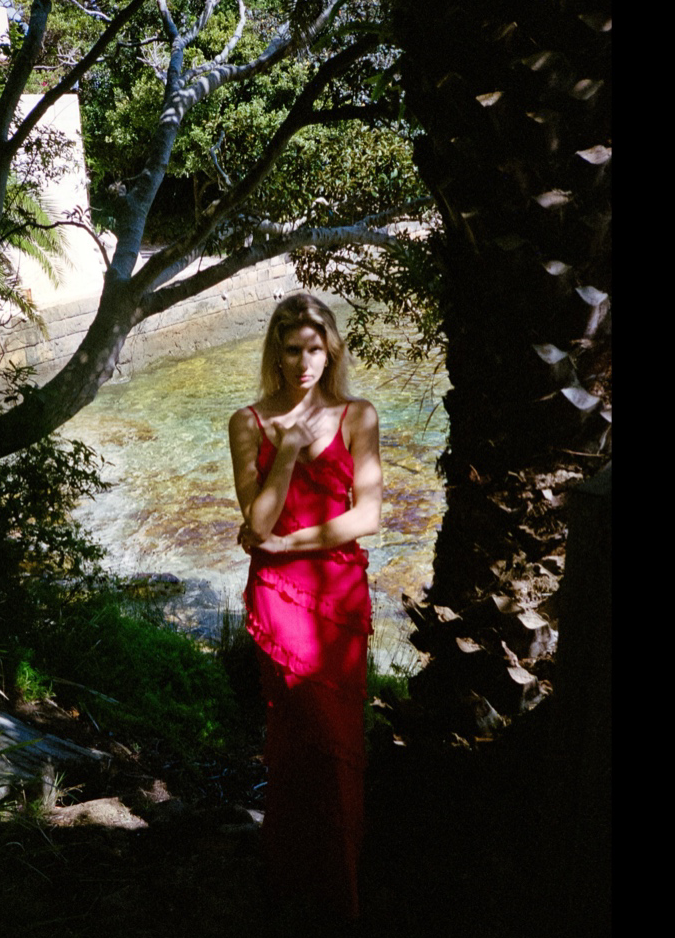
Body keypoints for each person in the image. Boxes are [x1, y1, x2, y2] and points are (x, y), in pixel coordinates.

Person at [228, 293, 382, 927]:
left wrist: (293, 544)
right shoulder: (248, 422)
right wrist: (288, 451)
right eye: (292, 349)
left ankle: (340, 889)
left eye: (314, 349)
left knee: (340, 741)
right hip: (279, 599)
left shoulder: (358, 415)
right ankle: (292, 883)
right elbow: (257, 521)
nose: (304, 362)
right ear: (276, 352)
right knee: (297, 740)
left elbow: (368, 516)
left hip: (339, 597)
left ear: (331, 351)